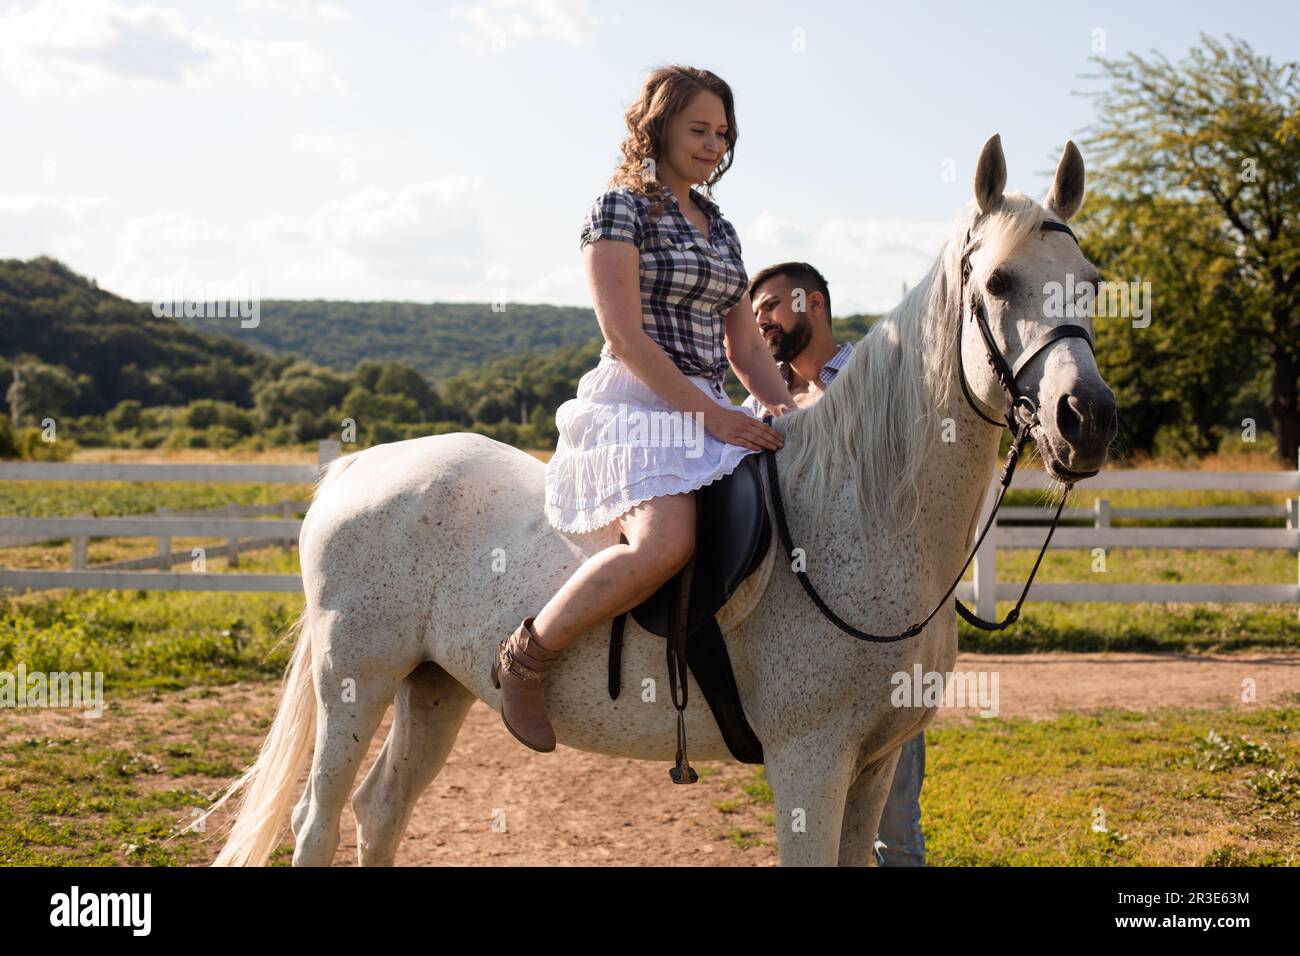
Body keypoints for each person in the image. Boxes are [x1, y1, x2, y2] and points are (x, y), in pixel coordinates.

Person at [491, 65, 796, 754]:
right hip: (638, 404)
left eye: (723, 133)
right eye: (699, 129)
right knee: (665, 543)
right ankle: (527, 656)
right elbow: (626, 338)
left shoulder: (719, 226)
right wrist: (713, 416)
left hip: (708, 401)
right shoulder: (619, 207)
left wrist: (791, 406)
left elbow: (744, 340)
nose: (714, 144)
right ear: (657, 127)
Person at [741, 261, 927, 867]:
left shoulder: (876, 383)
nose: (759, 320)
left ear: (812, 302)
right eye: (753, 311)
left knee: (893, 832)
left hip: (881, 635)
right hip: (804, 643)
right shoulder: (760, 401)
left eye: (770, 305)